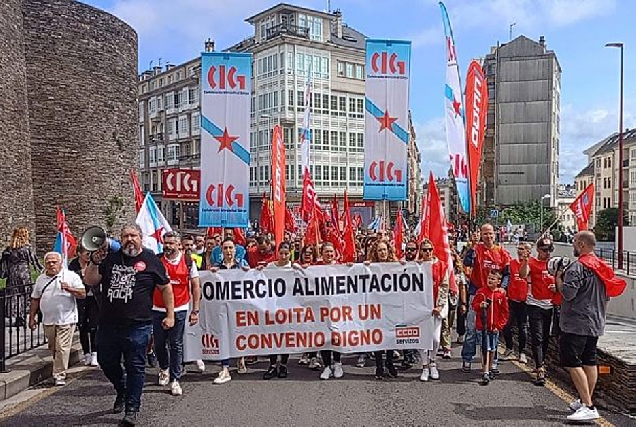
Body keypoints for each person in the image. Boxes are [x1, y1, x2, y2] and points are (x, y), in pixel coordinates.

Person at [84, 223, 174, 427]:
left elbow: (166, 288)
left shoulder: (150, 259)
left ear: (141, 238)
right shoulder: (110, 258)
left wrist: (170, 314)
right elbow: (91, 281)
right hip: (108, 324)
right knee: (107, 362)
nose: (129, 239)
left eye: (133, 235)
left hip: (138, 326)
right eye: (125, 236)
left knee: (135, 367)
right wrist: (94, 262)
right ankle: (122, 389)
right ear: (120, 239)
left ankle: (132, 409)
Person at [555, 231, 624, 422]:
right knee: (589, 361)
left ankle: (588, 406)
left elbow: (568, 294)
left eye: (575, 242)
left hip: (576, 323)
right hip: (595, 320)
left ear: (581, 244)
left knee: (571, 361)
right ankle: (584, 400)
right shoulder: (602, 266)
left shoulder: (577, 267)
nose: (573, 245)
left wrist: (558, 278)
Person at [153, 231, 201, 396]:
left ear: (178, 244)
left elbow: (195, 286)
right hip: (158, 308)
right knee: (159, 344)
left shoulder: (188, 262)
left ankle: (175, 379)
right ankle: (164, 368)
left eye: (171, 243)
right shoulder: (157, 261)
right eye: (165, 243)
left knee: (176, 344)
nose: (167, 246)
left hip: (180, 308)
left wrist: (195, 310)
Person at [28, 252, 85, 386]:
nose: (51, 264)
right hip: (48, 320)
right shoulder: (41, 279)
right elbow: (35, 299)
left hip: (67, 318)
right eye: (48, 262)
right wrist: (32, 317)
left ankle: (59, 374)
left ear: (60, 263)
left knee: (62, 347)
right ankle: (59, 366)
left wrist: (69, 288)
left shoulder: (70, 276)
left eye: (54, 262)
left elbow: (83, 293)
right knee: (54, 347)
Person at [461, 224, 510, 373]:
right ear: (481, 235)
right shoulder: (477, 249)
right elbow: (466, 263)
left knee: (492, 330)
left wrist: (503, 287)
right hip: (477, 293)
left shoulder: (502, 252)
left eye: (490, 233)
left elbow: (507, 273)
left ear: (494, 234)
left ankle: (492, 362)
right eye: (485, 234)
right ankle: (467, 358)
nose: (488, 236)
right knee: (471, 329)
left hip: (495, 296)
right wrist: (472, 247)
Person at [210, 238, 250, 384]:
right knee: (224, 335)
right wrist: (211, 273)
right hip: (223, 307)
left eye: (230, 248)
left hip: (238, 306)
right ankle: (225, 367)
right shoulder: (217, 267)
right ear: (222, 251)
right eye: (225, 248)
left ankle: (240, 358)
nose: (228, 251)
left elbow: (253, 281)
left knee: (238, 333)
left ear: (235, 250)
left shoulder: (242, 265)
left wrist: (248, 272)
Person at [520, 237, 557, 386]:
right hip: (535, 303)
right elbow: (523, 275)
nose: (547, 253)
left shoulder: (554, 264)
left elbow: (561, 279)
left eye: (550, 250)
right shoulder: (533, 263)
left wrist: (557, 288)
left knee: (546, 337)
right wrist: (525, 261)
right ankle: (540, 367)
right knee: (537, 336)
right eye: (544, 250)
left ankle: (541, 362)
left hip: (550, 304)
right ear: (538, 250)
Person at [366, 240, 399, 379]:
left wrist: (406, 266)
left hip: (391, 306)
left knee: (391, 335)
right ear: (376, 252)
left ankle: (389, 362)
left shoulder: (395, 266)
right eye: (379, 250)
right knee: (378, 336)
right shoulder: (370, 267)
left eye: (384, 249)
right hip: (376, 307)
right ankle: (379, 366)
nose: (383, 252)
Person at [418, 239, 449, 382]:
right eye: (424, 249)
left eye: (429, 249)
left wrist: (440, 306)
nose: (427, 252)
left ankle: (433, 361)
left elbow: (444, 286)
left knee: (436, 338)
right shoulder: (415, 266)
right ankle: (425, 366)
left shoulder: (441, 265)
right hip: (420, 309)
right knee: (422, 339)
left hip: (435, 308)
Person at [262, 242, 293, 380]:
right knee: (272, 336)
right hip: (273, 306)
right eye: (281, 253)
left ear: (290, 253)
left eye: (286, 253)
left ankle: (284, 365)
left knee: (286, 337)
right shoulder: (270, 267)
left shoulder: (294, 267)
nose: (284, 256)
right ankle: (273, 365)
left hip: (288, 307)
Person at [472, 268, 508, 385]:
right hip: (482, 326)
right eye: (489, 278)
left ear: (498, 281)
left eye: (493, 279)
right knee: (484, 348)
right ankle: (485, 370)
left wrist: (500, 325)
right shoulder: (481, 292)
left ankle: (490, 365)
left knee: (492, 348)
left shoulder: (500, 294)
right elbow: (474, 305)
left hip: (494, 327)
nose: (490, 281)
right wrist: (480, 305)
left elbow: (504, 312)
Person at [2, 226, 42, 326]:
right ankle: (23, 316)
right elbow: (34, 260)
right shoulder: (27, 248)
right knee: (25, 294)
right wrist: (41, 269)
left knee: (14, 295)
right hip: (24, 273)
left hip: (13, 274)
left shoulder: (9, 249)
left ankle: (14, 315)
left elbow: (4, 262)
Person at [317, 242, 345, 380]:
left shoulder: (341, 267)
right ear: (321, 254)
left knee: (336, 335)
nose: (329, 254)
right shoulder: (315, 269)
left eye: (331, 251)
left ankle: (338, 363)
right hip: (321, 308)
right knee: (324, 336)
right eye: (326, 252)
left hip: (337, 307)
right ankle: (327, 366)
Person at [68, 245, 100, 366]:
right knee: (82, 326)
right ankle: (86, 352)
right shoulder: (74, 265)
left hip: (94, 298)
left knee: (94, 326)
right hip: (81, 299)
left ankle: (95, 353)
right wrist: (80, 274)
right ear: (79, 254)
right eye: (86, 253)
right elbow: (71, 278)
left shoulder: (94, 263)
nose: (89, 256)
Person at [501, 242, 531, 364]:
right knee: (506, 325)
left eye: (523, 249)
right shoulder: (511, 264)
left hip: (524, 301)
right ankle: (509, 348)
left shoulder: (530, 264)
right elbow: (507, 277)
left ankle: (522, 352)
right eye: (518, 249)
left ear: (528, 251)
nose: (520, 251)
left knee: (522, 327)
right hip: (512, 299)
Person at [295, 244, 321, 370]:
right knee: (305, 330)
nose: (307, 255)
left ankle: (313, 357)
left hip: (315, 304)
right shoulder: (296, 266)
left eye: (310, 253)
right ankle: (306, 352)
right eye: (305, 252)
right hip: (301, 303)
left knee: (315, 330)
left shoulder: (319, 267)